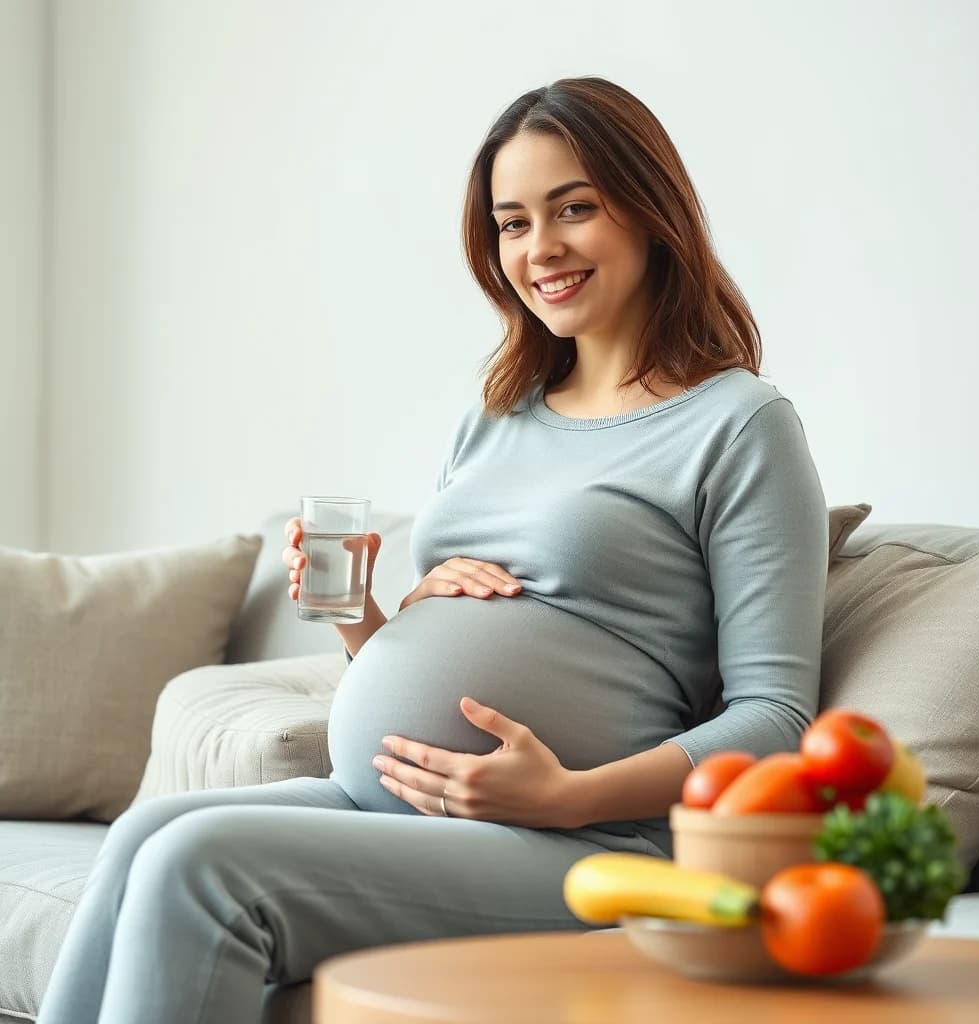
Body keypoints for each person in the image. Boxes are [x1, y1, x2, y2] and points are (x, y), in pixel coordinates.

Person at [36, 76, 828, 1024]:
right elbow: (434, 676)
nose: (541, 249)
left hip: (592, 845)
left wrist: (567, 796)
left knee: (198, 864)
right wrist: (366, 618)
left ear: (652, 212)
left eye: (574, 208)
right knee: (145, 835)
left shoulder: (740, 425)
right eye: (512, 223)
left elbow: (777, 717)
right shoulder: (495, 416)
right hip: (395, 807)